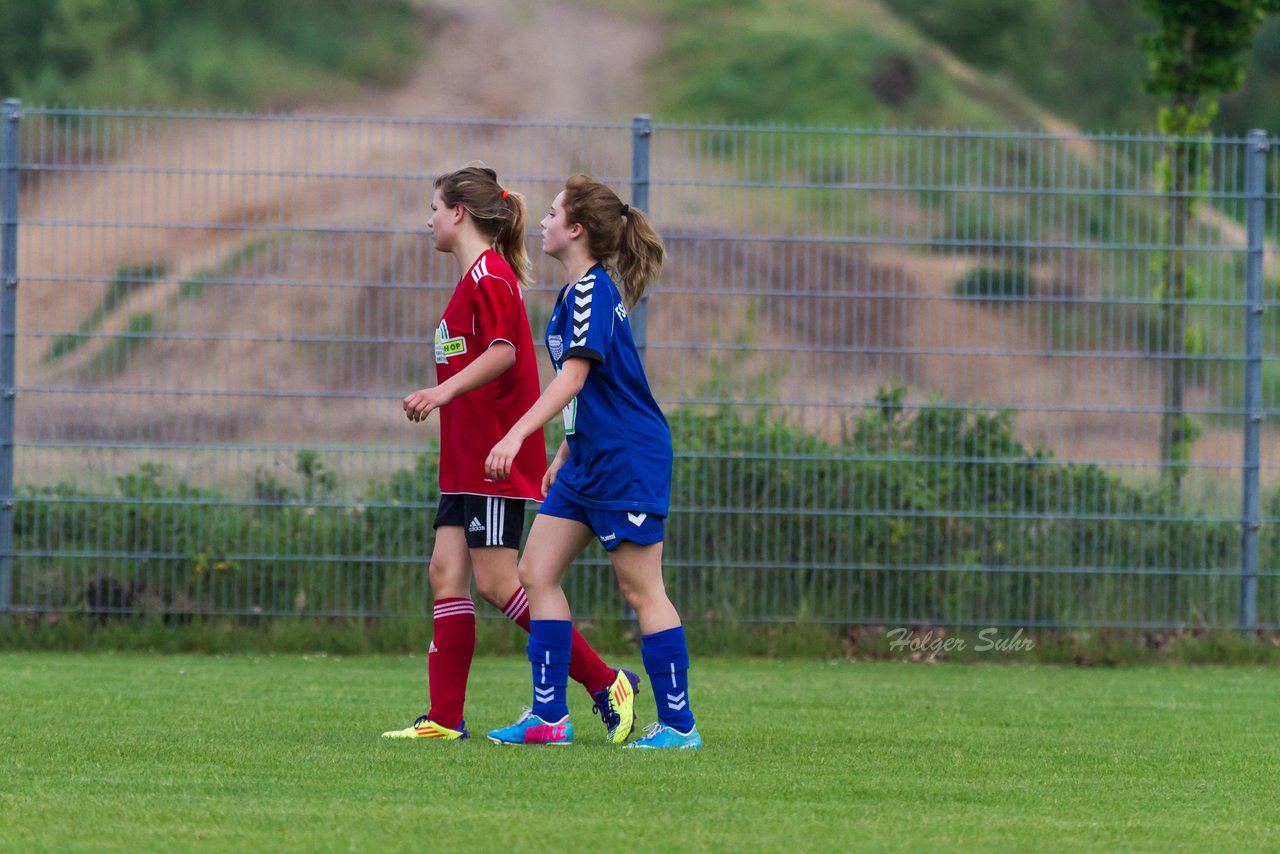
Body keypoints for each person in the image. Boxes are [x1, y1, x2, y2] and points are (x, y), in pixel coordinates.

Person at [380, 165, 639, 743]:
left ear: (458, 214)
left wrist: (441, 392)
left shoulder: (491, 277)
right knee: (445, 574)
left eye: (433, 207)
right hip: (464, 463)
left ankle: (605, 683)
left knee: (500, 584)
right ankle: (444, 718)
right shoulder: (470, 280)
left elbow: (502, 352)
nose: (428, 219)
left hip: (494, 462)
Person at [484, 174, 702, 749]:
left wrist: (517, 436)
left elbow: (575, 377)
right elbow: (593, 389)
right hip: (587, 462)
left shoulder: (592, 292)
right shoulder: (576, 293)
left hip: (627, 460)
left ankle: (679, 725)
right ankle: (549, 717)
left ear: (576, 229)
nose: (545, 222)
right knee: (535, 573)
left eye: (554, 213)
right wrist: (563, 450)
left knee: (641, 590)